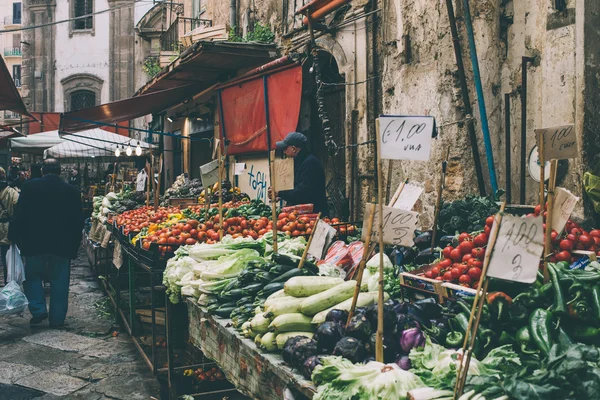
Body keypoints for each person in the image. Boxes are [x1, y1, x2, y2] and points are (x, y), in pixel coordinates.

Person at [9, 159, 83, 327]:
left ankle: (38, 309)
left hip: (34, 243)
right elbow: (78, 221)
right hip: (62, 245)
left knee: (33, 277)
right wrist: (75, 245)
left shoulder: (28, 187)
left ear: (42, 171)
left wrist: (13, 235)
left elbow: (19, 214)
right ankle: (57, 319)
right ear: (59, 171)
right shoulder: (72, 191)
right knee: (60, 281)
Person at [269, 132, 329, 215]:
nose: (284, 152)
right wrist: (280, 195)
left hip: (314, 215)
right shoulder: (300, 162)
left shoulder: (311, 164)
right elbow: (295, 187)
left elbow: (302, 193)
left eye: (285, 149)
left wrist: (280, 192)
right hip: (303, 214)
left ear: (294, 149)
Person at [0, 167, 19, 285]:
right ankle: (9, 282)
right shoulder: (12, 192)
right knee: (7, 258)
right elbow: (18, 207)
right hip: (7, 229)